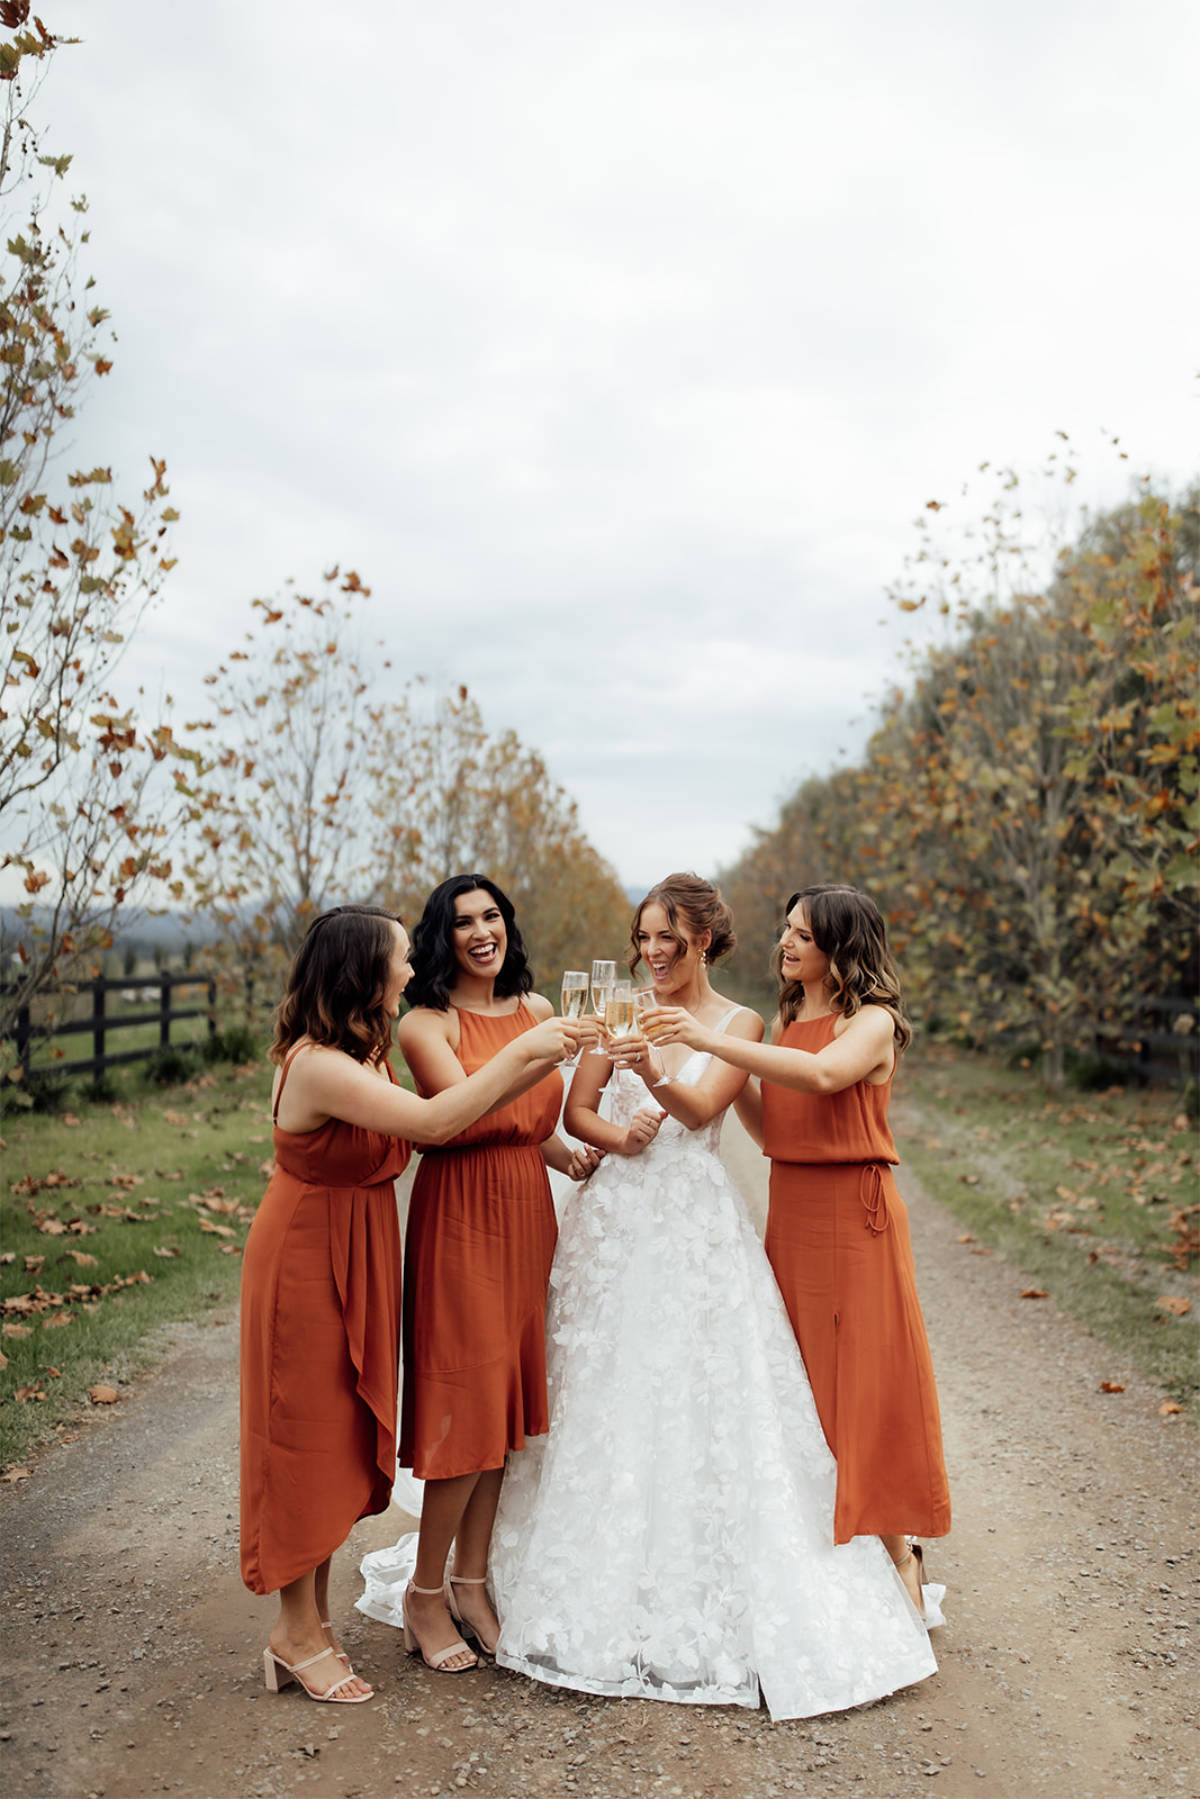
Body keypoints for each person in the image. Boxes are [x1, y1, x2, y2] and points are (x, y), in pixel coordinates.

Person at [483, 874, 939, 1721]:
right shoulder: (694, 1012)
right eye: (643, 938)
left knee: (802, 1389)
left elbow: (730, 1102)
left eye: (670, 939)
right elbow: (715, 1120)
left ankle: (891, 1544)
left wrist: (675, 1058)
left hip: (740, 1220)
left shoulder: (766, 1023)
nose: (653, 953)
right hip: (647, 1221)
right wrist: (622, 1124)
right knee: (609, 1381)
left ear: (704, 941)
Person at [241, 904, 582, 1705]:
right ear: (363, 970)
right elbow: (437, 1120)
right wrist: (532, 1048)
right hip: (305, 1257)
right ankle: (295, 1633)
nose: (413, 966)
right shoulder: (321, 1063)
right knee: (303, 1438)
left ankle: (311, 1626)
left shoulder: (357, 1050)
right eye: (401, 957)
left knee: (337, 1434)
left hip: (351, 1245)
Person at [646, 881, 951, 1615]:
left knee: (863, 1393)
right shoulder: (788, 1020)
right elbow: (776, 1133)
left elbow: (822, 1076)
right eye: (785, 929)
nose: (784, 942)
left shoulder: (871, 1022)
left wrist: (712, 1039)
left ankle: (899, 1551)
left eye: (801, 935)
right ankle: (827, 1564)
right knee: (802, 1393)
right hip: (795, 1215)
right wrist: (725, 1074)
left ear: (839, 948)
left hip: (855, 1220)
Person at [385, 875, 601, 1675]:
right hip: (460, 1221)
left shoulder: (538, 1011)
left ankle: (473, 1584)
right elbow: (463, 1109)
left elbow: (526, 1114)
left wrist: (562, 1151)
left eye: (493, 917)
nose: (483, 932)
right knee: (464, 1412)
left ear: (509, 925)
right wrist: (530, 1050)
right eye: (464, 921)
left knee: (504, 1414)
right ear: (443, 936)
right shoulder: (425, 1024)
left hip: (524, 1214)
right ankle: (422, 1591)